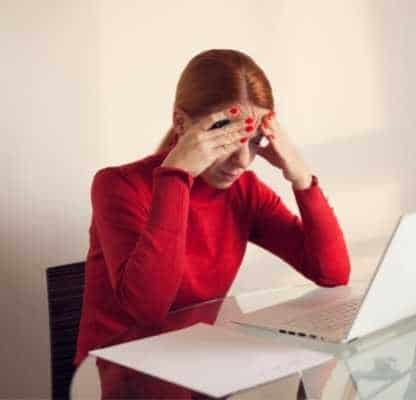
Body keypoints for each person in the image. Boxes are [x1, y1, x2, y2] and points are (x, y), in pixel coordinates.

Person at [73, 49, 351, 396]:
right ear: (181, 124)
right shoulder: (118, 185)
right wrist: (176, 175)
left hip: (197, 367)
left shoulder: (243, 192)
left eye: (253, 140)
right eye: (224, 134)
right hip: (122, 376)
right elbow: (149, 309)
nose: (242, 159)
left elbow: (333, 273)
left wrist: (301, 176)